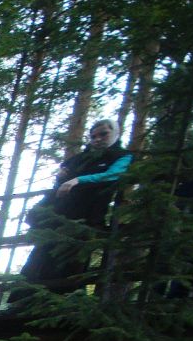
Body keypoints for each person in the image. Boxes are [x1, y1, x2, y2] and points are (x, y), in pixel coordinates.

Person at [21, 120, 133, 289]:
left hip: (85, 219)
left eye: (103, 134)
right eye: (93, 136)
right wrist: (63, 176)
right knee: (39, 260)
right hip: (58, 216)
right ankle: (24, 302)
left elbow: (113, 175)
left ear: (116, 134)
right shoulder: (80, 159)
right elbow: (61, 179)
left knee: (71, 264)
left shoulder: (121, 156)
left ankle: (62, 306)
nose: (97, 139)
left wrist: (78, 180)